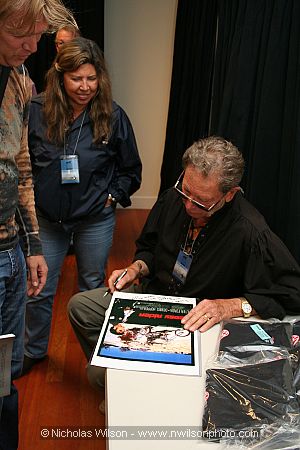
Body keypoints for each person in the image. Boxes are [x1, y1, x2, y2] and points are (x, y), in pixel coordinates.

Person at [68, 135, 300, 391]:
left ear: (230, 195)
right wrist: (136, 267)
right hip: (156, 296)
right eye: (185, 191)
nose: (188, 206)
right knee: (81, 307)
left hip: (196, 320)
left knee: (99, 374)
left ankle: (134, 384)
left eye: (201, 202)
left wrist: (231, 306)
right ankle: (131, 381)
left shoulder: (251, 232)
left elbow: (291, 293)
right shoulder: (173, 198)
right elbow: (149, 248)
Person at [22, 37, 142, 375]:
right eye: (77, 79)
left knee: (92, 286)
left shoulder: (113, 115)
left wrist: (113, 195)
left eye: (92, 79)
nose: (85, 87)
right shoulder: (36, 111)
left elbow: (131, 169)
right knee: (39, 287)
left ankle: (98, 359)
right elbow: (22, 163)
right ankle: (34, 351)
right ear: (60, 77)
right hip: (47, 220)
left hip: (94, 219)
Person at [0, 0, 76, 448]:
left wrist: (31, 247)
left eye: (38, 36)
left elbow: (22, 167)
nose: (32, 46)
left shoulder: (21, 83)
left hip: (10, 252)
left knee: (6, 376)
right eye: (19, 35)